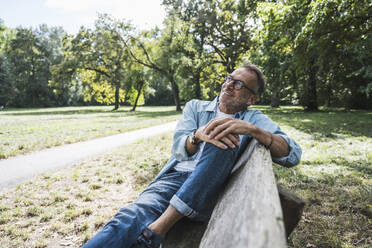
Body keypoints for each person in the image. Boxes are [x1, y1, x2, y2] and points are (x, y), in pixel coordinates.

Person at [83, 61, 302, 248]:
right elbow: (179, 148)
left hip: (209, 190)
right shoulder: (195, 107)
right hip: (174, 179)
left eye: (239, 84)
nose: (229, 85)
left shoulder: (253, 119)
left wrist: (253, 130)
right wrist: (196, 136)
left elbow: (293, 154)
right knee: (128, 218)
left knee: (224, 135)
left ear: (251, 99)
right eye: (229, 78)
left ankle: (157, 229)